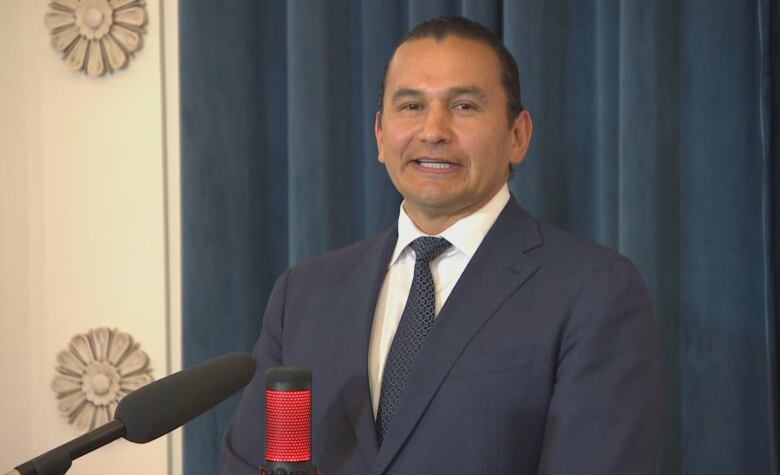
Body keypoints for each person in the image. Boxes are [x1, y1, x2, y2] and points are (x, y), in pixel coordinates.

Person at [220, 16, 662, 475]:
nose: (433, 130)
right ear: (379, 135)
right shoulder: (303, 295)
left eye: (464, 106)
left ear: (518, 136)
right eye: (411, 106)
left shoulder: (595, 292)